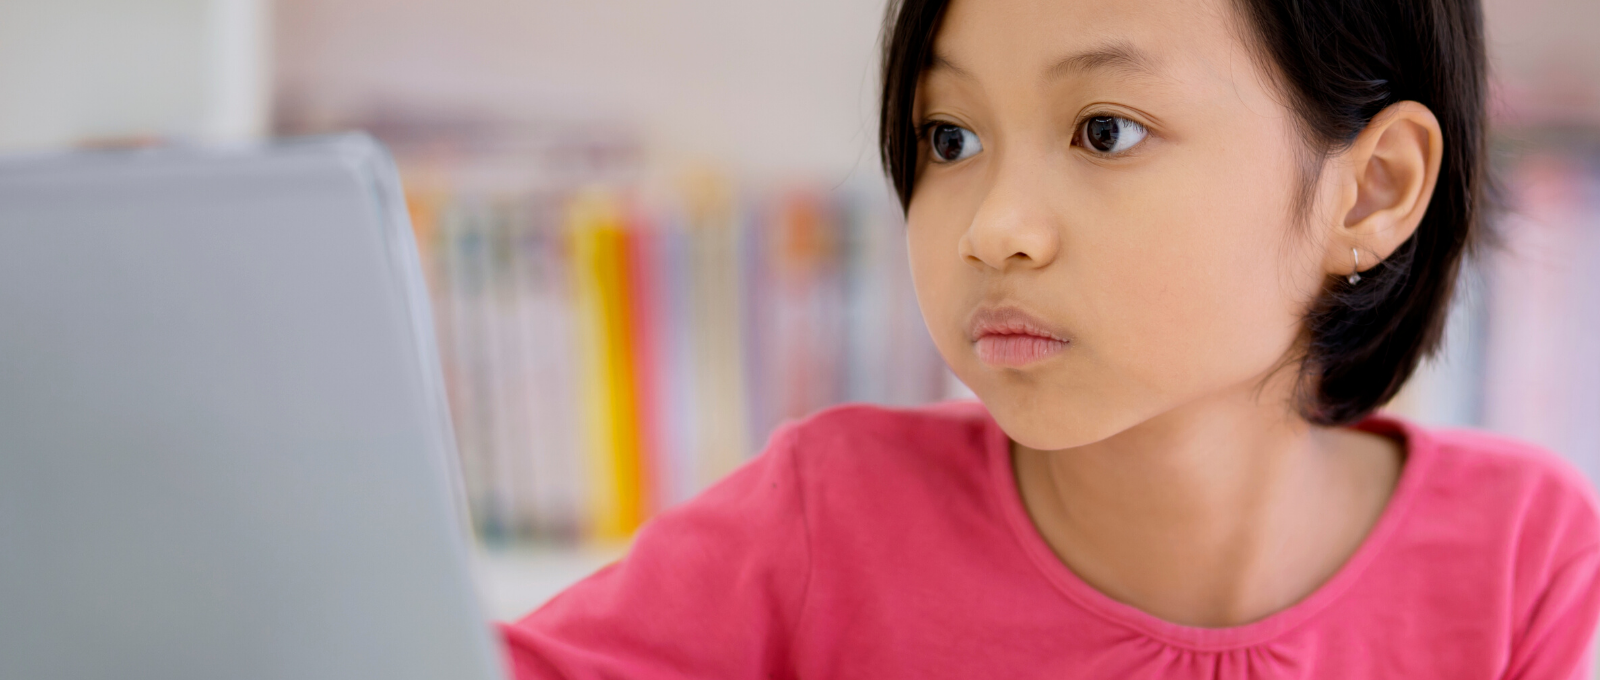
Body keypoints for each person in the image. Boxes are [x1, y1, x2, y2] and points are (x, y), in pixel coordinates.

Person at [500, 0, 1600, 676]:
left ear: (1370, 189)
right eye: (950, 135)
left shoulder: (1522, 561)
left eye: (1104, 130)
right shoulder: (823, 517)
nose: (994, 229)